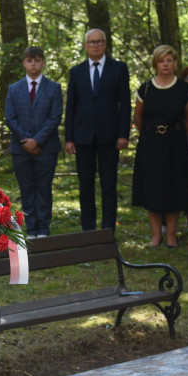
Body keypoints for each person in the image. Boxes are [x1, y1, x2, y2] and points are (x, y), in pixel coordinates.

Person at [64, 28, 131, 231]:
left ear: (105, 44)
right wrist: (69, 138)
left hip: (110, 136)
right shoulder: (76, 72)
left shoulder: (118, 68)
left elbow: (125, 104)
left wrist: (123, 133)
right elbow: (71, 106)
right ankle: (88, 230)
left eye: (99, 41)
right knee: (86, 186)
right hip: (82, 136)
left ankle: (108, 229)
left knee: (109, 184)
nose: (95, 45)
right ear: (85, 46)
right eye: (91, 42)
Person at [132, 45, 188, 248]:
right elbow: (138, 117)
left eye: (169, 60)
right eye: (161, 61)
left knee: (174, 186)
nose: (165, 64)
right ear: (155, 64)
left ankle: (172, 235)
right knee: (152, 187)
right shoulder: (146, 88)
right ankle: (156, 234)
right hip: (150, 144)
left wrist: (173, 134)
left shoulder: (185, 89)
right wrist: (153, 133)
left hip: (175, 144)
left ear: (175, 63)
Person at [4, 46, 63, 238]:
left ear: (43, 62)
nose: (33, 64)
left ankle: (44, 228)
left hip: (46, 148)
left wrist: (36, 141)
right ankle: (32, 227)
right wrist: (25, 141)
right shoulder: (14, 89)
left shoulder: (54, 88)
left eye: (37, 60)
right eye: (30, 60)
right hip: (21, 149)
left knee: (44, 188)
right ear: (24, 63)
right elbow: (10, 118)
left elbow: (55, 118)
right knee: (27, 188)